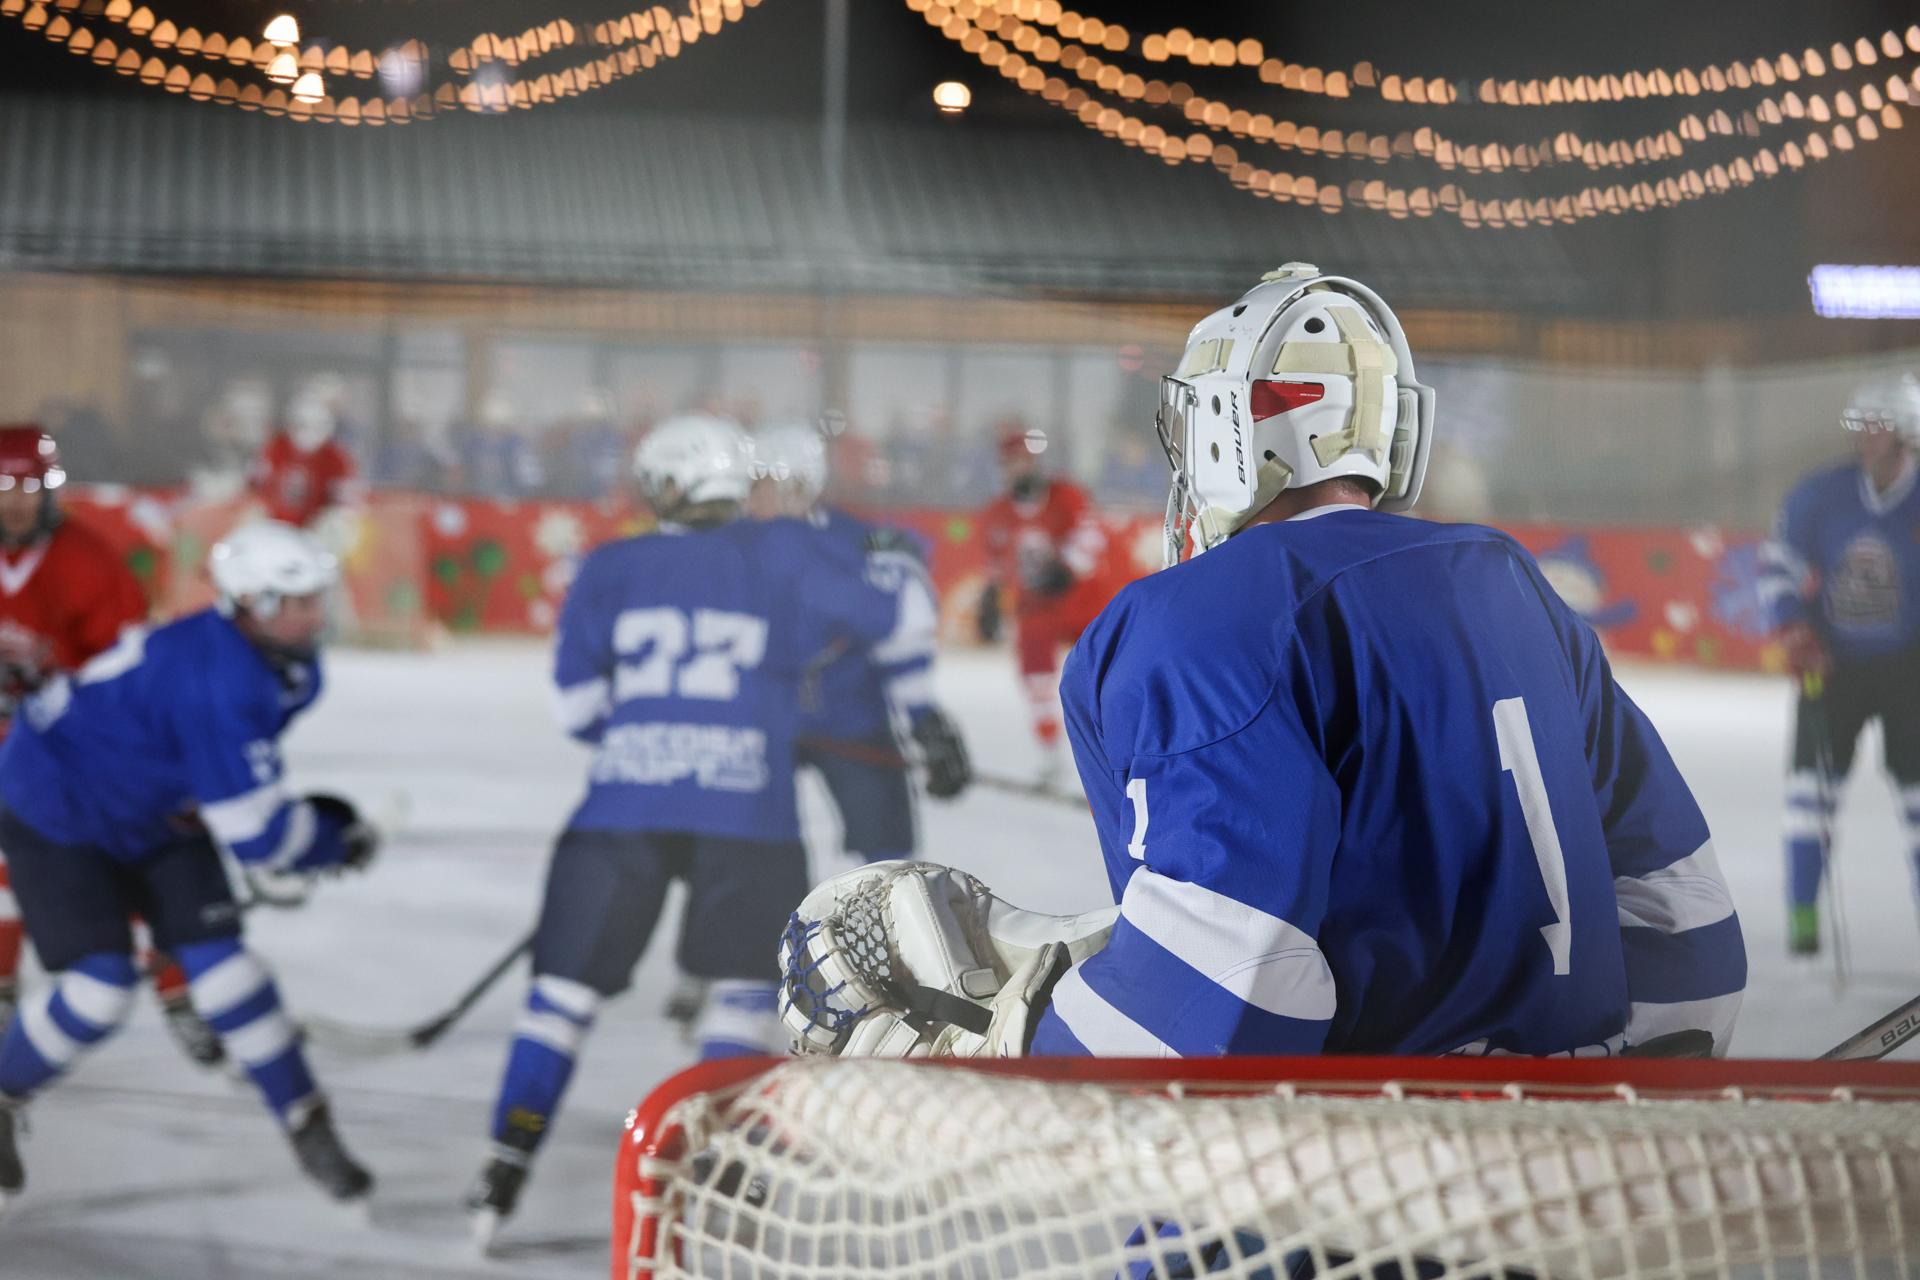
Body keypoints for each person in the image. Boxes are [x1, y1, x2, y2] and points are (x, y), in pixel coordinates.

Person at [781, 264, 1744, 1071]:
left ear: (1221, 431)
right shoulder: (1509, 583)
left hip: (1320, 1191)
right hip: (1564, 1192)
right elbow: (1691, 938)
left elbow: (1234, 1000)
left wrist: (1008, 1056)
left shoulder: (1198, 615)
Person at [466, 414, 934, 1244]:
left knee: (561, 1001)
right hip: (749, 813)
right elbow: (889, 618)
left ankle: (501, 1171)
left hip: (623, 808)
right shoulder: (783, 552)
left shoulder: (612, 563)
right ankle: (715, 1193)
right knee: (738, 1001)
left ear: (660, 488)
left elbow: (576, 711)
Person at [0, 521, 379, 1213]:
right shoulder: (224, 677)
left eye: (315, 597)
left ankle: (306, 1121)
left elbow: (235, 791)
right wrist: (334, 836)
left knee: (228, 971)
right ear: (251, 605)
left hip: (157, 811)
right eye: (296, 601)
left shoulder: (271, 658)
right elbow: (258, 838)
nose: (315, 615)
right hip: (59, 809)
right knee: (99, 989)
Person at [0, 426, 223, 1071]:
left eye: (29, 486)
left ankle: (178, 991)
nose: (16, 500)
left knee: (127, 854)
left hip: (72, 753)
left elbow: (128, 674)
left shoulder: (90, 561)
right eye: (4, 486)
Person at [1760, 374, 1920, 956]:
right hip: (1832, 667)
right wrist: (1792, 624)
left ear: (1907, 431)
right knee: (1810, 795)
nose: (1865, 438)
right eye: (1860, 425)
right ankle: (1803, 915)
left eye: (1877, 426)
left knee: (1918, 803)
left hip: (1910, 672)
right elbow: (1777, 563)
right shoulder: (1821, 492)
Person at [976, 423, 1108, 782]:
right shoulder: (998, 514)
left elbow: (1092, 539)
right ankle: (1050, 750)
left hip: (1082, 601)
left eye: (1025, 460)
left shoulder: (1066, 496)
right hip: (1038, 608)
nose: (1019, 468)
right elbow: (998, 568)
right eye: (1011, 462)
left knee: (1106, 668)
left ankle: (1113, 743)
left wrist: (1067, 568)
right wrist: (990, 597)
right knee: (1033, 664)